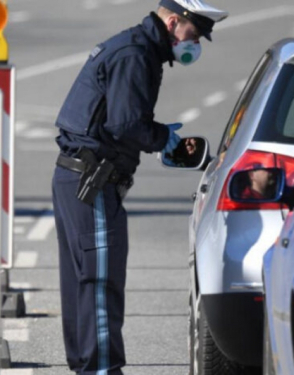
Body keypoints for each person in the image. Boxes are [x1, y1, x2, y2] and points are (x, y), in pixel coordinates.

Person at [51, 1, 228, 374]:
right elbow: (126, 123)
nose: (194, 43)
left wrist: (158, 137)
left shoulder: (138, 47)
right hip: (92, 180)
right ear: (174, 20)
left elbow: (121, 119)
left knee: (83, 281)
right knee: (100, 281)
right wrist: (162, 137)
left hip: (79, 176)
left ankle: (88, 365)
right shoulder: (135, 54)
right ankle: (100, 369)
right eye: (194, 34)